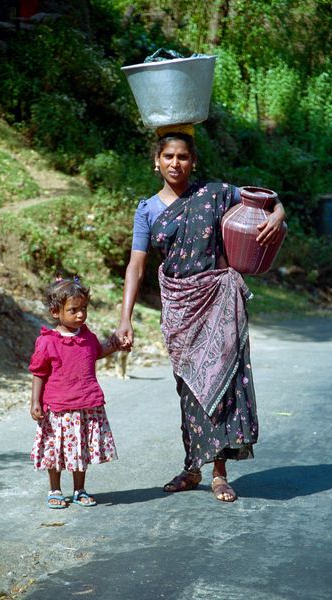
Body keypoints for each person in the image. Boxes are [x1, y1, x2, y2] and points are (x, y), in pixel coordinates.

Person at [116, 125, 286, 502]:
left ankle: (219, 474)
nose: (175, 163)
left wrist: (279, 213)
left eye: (183, 157)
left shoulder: (215, 194)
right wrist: (125, 317)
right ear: (156, 162)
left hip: (218, 301)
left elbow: (266, 201)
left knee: (220, 385)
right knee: (189, 388)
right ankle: (192, 467)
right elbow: (136, 266)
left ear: (193, 161)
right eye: (168, 157)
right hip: (179, 306)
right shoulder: (146, 210)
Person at [29, 276, 123, 509]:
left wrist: (116, 345)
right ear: (55, 312)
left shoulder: (87, 336)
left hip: (86, 404)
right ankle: (55, 489)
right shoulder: (47, 342)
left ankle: (79, 489)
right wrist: (35, 402)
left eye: (84, 309)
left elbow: (97, 352)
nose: (80, 315)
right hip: (58, 408)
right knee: (55, 450)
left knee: (80, 450)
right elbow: (39, 373)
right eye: (73, 310)